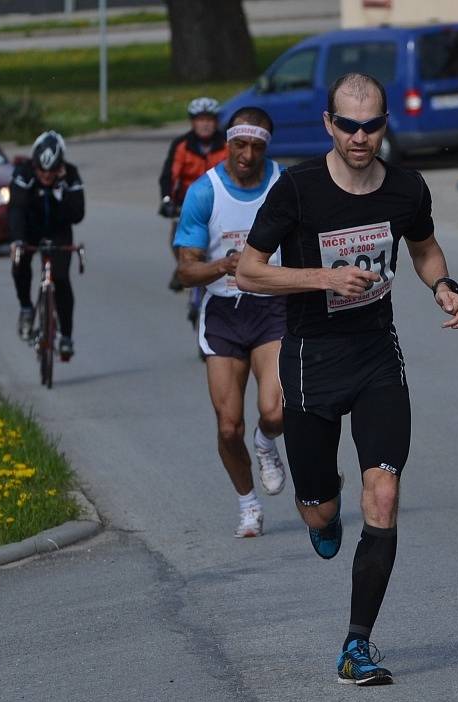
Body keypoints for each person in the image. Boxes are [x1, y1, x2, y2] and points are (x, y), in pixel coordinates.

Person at [237, 73, 458, 686]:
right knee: (321, 513)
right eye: (347, 125)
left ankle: (357, 644)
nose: (359, 136)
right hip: (312, 357)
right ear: (327, 125)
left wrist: (443, 286)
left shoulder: (405, 188)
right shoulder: (298, 188)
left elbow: (424, 249)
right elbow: (248, 271)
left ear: (384, 124)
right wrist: (323, 279)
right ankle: (319, 504)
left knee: (385, 494)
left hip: (374, 355)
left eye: (370, 125)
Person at [173, 106, 287, 538]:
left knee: (275, 411)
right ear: (228, 143)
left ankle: (266, 442)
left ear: (266, 147)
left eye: (257, 146)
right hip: (223, 313)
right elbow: (186, 270)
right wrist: (224, 265)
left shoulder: (283, 183)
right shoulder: (205, 192)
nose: (247, 154)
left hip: (274, 306)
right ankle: (248, 505)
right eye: (240, 144)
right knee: (227, 425)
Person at [9, 130, 85, 359]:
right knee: (19, 262)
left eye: (51, 171)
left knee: (61, 279)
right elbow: (16, 210)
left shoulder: (70, 175)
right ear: (34, 164)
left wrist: (61, 189)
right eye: (42, 171)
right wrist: (17, 240)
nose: (46, 176)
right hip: (30, 229)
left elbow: (78, 214)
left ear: (60, 166)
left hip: (58, 230)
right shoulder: (24, 172)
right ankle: (25, 307)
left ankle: (67, 336)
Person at [159, 97, 228, 295]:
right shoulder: (181, 145)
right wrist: (167, 200)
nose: (205, 124)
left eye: (209, 119)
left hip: (219, 202)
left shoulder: (226, 144)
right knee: (178, 237)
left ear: (216, 122)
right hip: (187, 204)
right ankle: (183, 267)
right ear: (192, 122)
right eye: (200, 119)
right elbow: (169, 176)